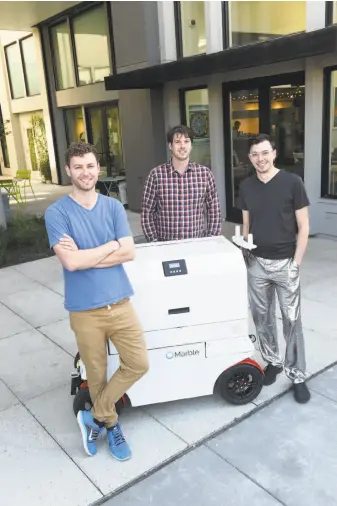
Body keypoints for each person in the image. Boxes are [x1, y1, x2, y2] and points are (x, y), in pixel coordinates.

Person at [44, 142, 149, 461]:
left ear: (97, 168)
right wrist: (109, 247)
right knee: (97, 376)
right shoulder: (56, 212)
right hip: (85, 311)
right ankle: (112, 426)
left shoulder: (113, 206)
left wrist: (86, 253)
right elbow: (71, 263)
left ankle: (97, 415)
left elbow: (129, 251)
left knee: (138, 363)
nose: (85, 172)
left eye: (90, 166)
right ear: (68, 171)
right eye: (78, 167)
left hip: (120, 304)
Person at [237, 133, 310, 404]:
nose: (260, 159)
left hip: (285, 264)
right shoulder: (246, 186)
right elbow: (246, 225)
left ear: (274, 153)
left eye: (265, 153)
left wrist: (296, 263)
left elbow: (304, 227)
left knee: (291, 321)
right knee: (262, 318)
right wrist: (245, 253)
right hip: (257, 263)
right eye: (255, 154)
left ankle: (298, 374)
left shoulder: (292, 183)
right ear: (250, 158)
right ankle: (273, 361)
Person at [141, 125, 222, 242]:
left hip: (196, 244)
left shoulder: (205, 174)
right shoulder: (156, 175)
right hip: (166, 245)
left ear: (191, 145)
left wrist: (209, 241)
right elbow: (147, 214)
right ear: (170, 145)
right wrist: (155, 243)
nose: (183, 146)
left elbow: (214, 211)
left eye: (186, 141)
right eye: (177, 142)